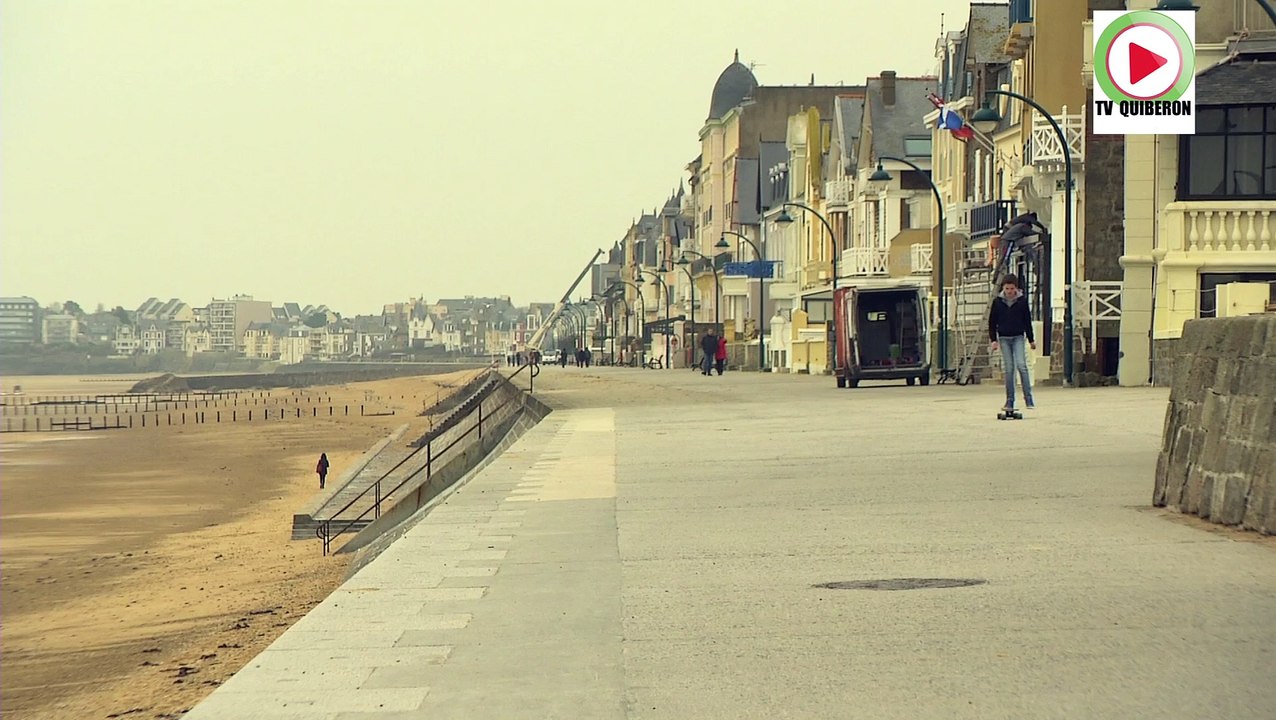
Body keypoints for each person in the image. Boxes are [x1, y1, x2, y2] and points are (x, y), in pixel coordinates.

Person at [988, 274, 1036, 411]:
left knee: (1022, 365)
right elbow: (992, 322)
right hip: (1004, 337)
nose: (1010, 291)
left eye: (1012, 289)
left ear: (1016, 288)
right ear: (1003, 288)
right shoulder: (997, 302)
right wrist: (993, 340)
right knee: (1009, 369)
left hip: (1018, 337)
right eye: (1007, 288)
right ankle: (1010, 400)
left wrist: (1031, 339)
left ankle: (1028, 397)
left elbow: (1027, 321)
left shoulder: (1022, 301)